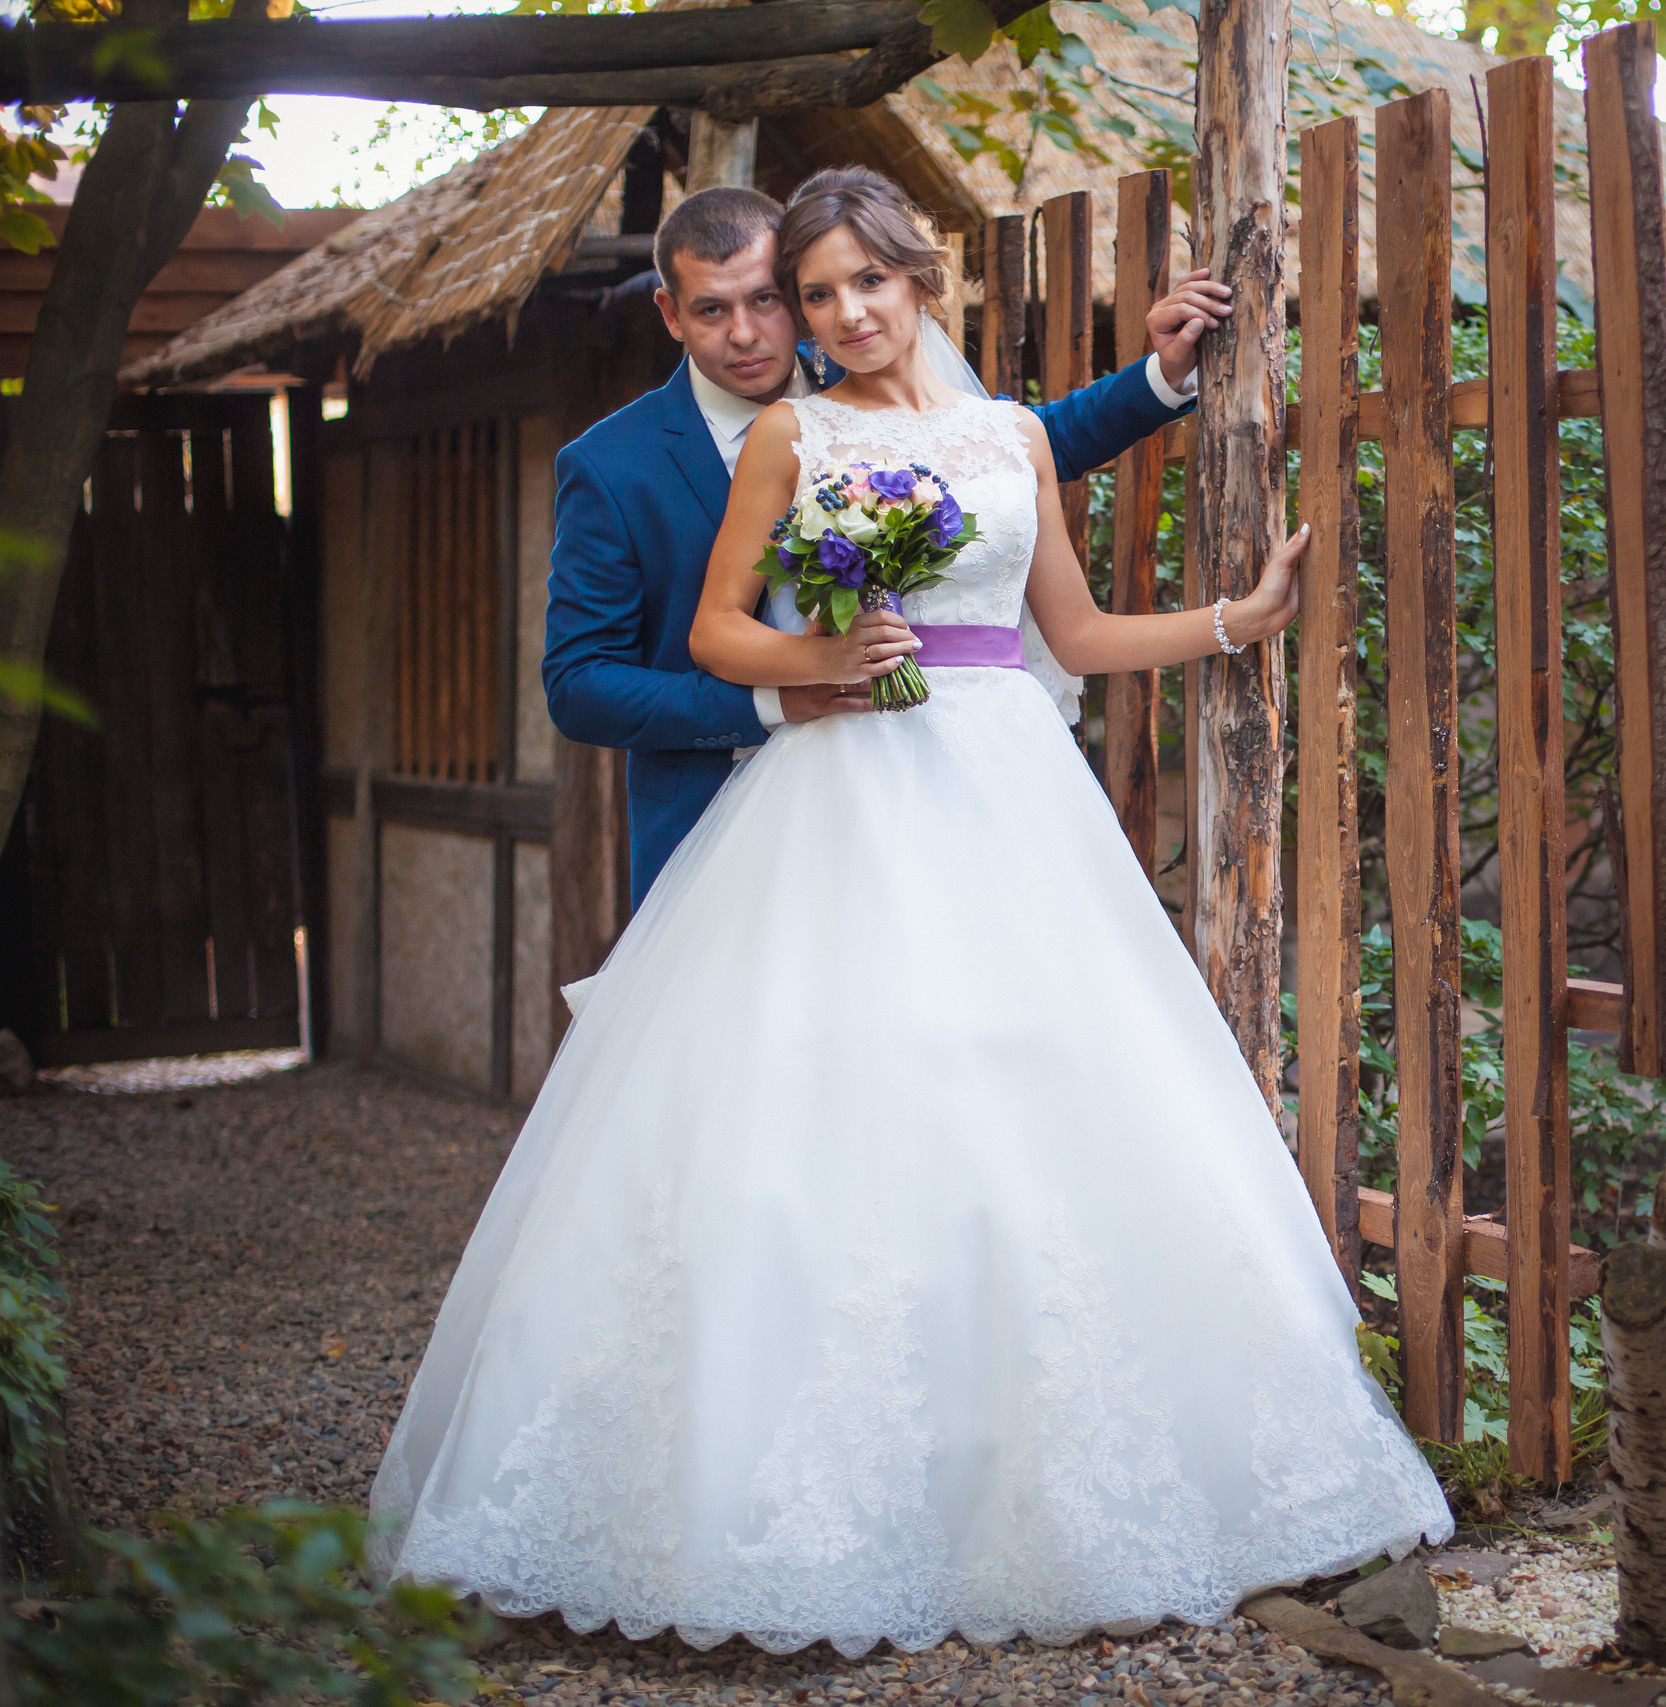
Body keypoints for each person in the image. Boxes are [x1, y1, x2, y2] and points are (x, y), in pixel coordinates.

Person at [366, 165, 1455, 1657]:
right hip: (824, 799)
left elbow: (1066, 614)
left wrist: (1232, 614)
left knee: (1035, 1100)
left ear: (916, 279)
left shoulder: (998, 429)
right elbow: (694, 639)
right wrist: (812, 669)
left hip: (1009, 797)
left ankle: (1032, 1477)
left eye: (837, 288)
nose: (814, 319)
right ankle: (773, 1493)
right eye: (796, 297)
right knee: (809, 1130)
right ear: (677, 316)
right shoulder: (761, 443)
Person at [542, 183, 1234, 908]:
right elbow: (580, 685)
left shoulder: (871, 380)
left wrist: (1163, 373)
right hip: (715, 821)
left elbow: (1019, 448)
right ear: (671, 313)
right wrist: (778, 698)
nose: (744, 333)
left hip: (921, 789)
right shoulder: (611, 466)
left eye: (765, 300)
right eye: (712, 310)